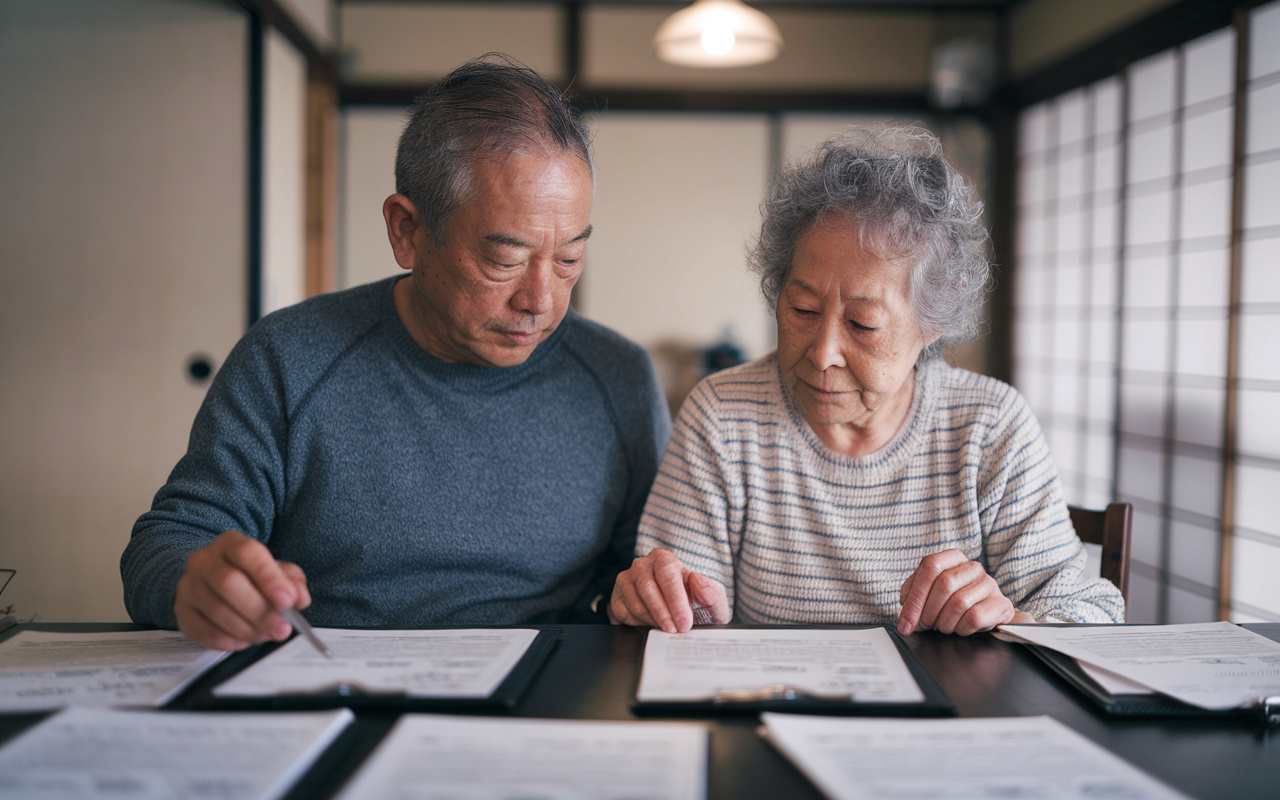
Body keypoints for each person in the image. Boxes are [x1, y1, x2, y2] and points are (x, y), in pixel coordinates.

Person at [121, 54, 670, 651]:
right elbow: (169, 542)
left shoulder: (618, 378)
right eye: (504, 259)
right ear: (406, 230)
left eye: (569, 260)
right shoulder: (288, 358)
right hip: (331, 684)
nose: (540, 300)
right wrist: (196, 583)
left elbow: (638, 568)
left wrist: (651, 587)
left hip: (544, 698)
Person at [610, 125, 1124, 637]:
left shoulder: (988, 425)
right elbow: (681, 611)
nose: (822, 352)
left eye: (863, 325)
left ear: (932, 323)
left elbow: (1090, 611)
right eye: (802, 308)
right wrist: (663, 598)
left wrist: (1012, 617)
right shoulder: (723, 413)